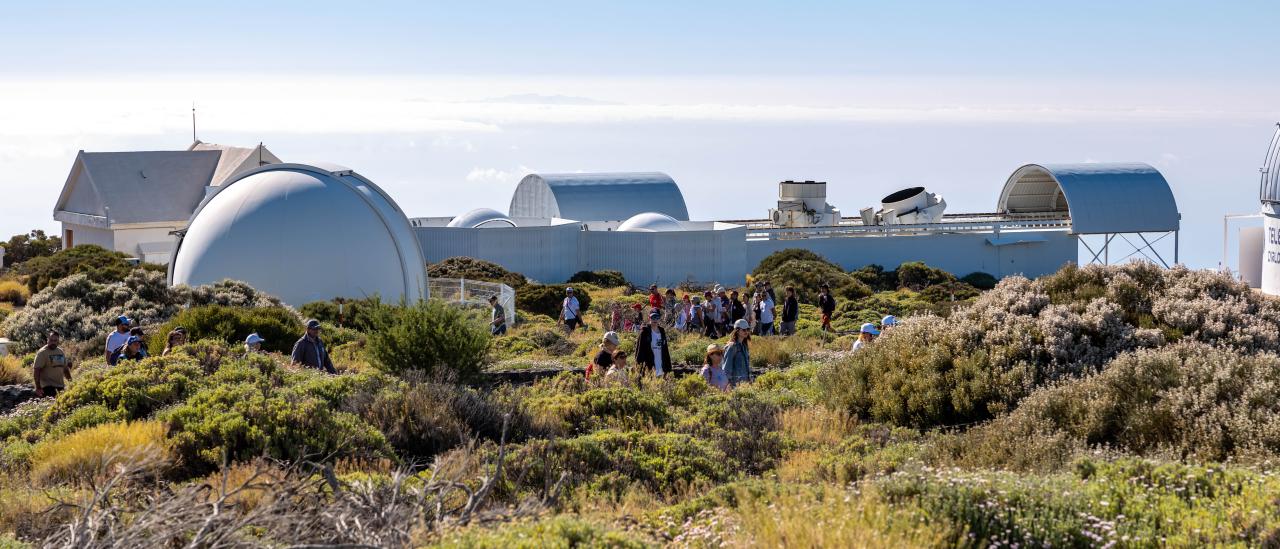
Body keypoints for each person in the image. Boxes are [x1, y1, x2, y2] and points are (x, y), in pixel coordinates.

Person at [32, 330, 72, 398]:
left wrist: (71, 382)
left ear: (58, 341)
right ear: (47, 340)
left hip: (60, 386)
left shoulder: (60, 352)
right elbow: (37, 370)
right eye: (51, 340)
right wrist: (38, 387)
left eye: (55, 340)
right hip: (47, 387)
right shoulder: (42, 353)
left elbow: (65, 369)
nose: (53, 342)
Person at [636, 309, 672, 378]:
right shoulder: (644, 332)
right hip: (649, 366)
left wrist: (668, 366)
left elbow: (665, 349)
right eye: (653, 317)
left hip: (661, 366)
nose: (655, 320)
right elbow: (639, 350)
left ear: (659, 318)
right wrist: (639, 366)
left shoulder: (662, 331)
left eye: (657, 317)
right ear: (649, 318)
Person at [723, 319, 752, 386]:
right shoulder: (731, 347)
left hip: (744, 384)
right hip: (734, 384)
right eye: (744, 330)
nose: (746, 332)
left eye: (747, 329)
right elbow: (726, 368)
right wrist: (727, 385)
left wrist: (749, 380)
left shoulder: (744, 347)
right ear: (737, 330)